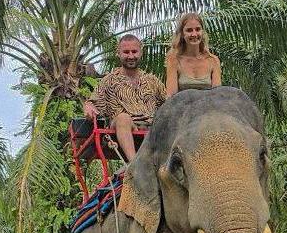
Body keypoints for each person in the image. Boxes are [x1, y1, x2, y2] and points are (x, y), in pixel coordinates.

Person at [83, 33, 166, 161]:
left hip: (151, 131)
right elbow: (93, 102)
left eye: (134, 52)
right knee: (123, 118)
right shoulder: (109, 80)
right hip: (122, 129)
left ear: (140, 53)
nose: (131, 56)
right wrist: (88, 106)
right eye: (126, 52)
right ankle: (134, 167)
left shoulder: (152, 81)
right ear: (119, 53)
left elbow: (169, 103)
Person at [165, 12, 222, 96]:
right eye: (189, 30)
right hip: (182, 108)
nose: (194, 34)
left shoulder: (213, 61)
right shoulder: (174, 61)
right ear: (182, 34)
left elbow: (217, 96)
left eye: (198, 29)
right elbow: (171, 98)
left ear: (202, 32)